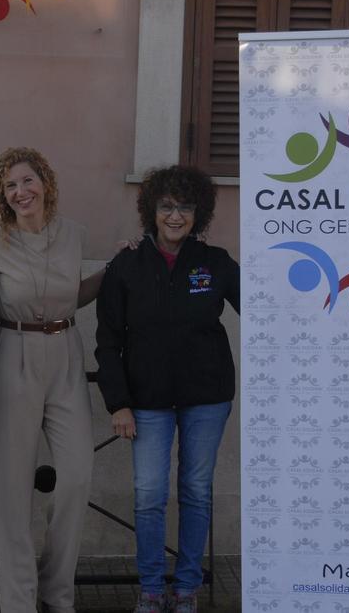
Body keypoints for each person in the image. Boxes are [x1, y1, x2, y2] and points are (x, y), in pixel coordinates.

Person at [94, 166, 239, 613]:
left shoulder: (216, 263)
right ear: (152, 211)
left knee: (196, 490)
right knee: (149, 494)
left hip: (207, 396)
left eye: (185, 207)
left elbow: (267, 307)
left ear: (200, 212)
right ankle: (152, 589)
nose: (176, 216)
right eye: (167, 206)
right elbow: (108, 340)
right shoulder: (126, 264)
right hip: (146, 401)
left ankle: (188, 588)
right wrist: (117, 403)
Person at [0, 147, 105, 613]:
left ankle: (57, 594)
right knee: (10, 489)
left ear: (45, 182)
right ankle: (18, 602)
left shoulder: (73, 235)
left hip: (66, 352)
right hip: (14, 352)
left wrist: (113, 272)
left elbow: (74, 295)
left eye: (27, 181)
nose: (20, 191)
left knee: (76, 476)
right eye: (10, 185)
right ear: (2, 195)